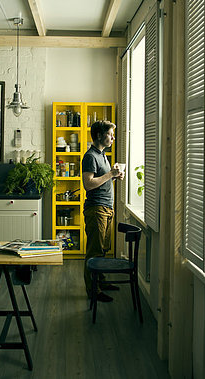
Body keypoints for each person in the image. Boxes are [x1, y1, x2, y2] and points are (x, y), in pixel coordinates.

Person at [82, 120, 124, 302]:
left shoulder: (103, 155)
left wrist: (114, 176)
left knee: (103, 249)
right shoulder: (90, 156)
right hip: (96, 208)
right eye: (110, 134)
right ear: (99, 135)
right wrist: (110, 175)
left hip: (107, 208)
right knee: (94, 251)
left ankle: (102, 281)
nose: (113, 137)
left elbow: (102, 181)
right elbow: (88, 184)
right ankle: (93, 291)